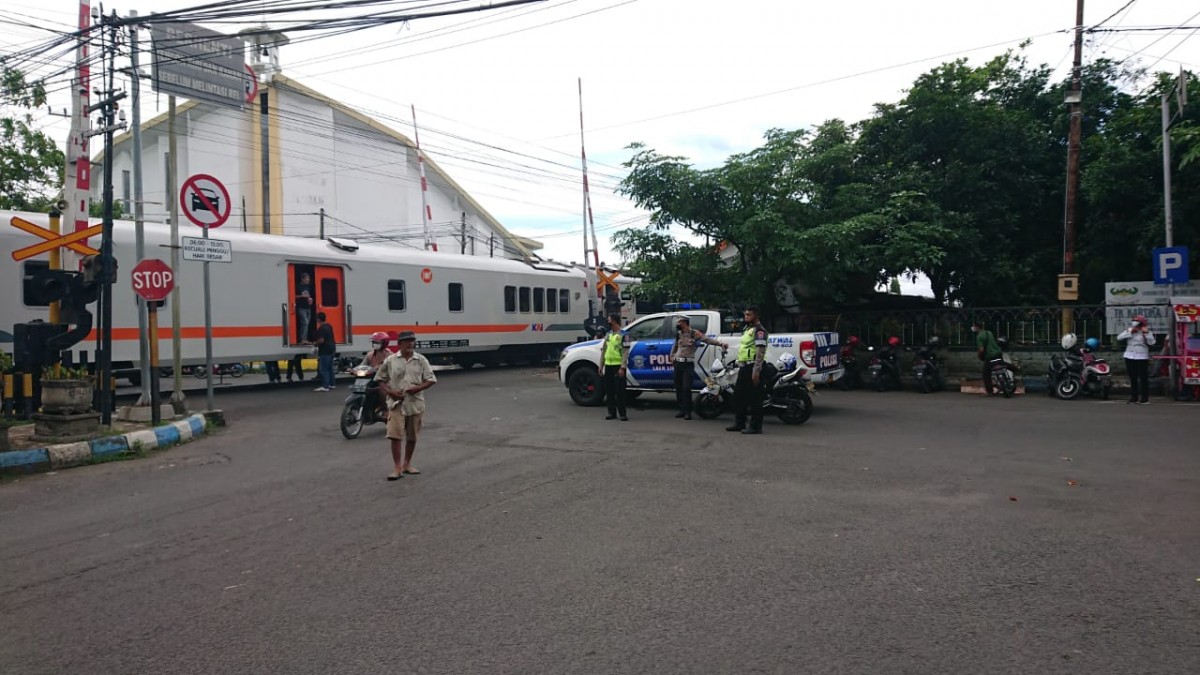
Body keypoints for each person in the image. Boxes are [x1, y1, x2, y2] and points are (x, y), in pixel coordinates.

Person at [374, 331, 437, 480]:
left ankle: (407, 464)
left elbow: (431, 379)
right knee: (395, 436)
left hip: (415, 404)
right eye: (407, 341)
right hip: (396, 404)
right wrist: (390, 392)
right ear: (399, 344)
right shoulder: (391, 360)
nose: (410, 344)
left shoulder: (421, 360)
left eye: (412, 341)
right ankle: (397, 467)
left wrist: (417, 388)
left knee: (412, 437)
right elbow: (379, 379)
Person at [670, 316, 726, 420]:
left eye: (679, 322)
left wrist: (720, 344)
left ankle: (688, 412)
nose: (677, 325)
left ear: (684, 323)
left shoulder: (694, 333)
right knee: (678, 387)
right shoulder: (678, 334)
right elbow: (675, 346)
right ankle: (682, 410)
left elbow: (707, 340)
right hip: (678, 364)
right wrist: (672, 356)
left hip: (688, 364)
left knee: (686, 388)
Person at [727, 306, 768, 434]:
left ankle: (756, 426)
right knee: (738, 397)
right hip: (744, 367)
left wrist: (756, 372)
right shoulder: (748, 330)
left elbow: (760, 353)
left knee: (755, 399)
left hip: (753, 368)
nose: (746, 317)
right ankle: (740, 423)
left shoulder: (760, 331)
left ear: (756, 316)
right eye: (745, 315)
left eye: (749, 315)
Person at [1117, 314, 1156, 404]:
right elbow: (1119, 337)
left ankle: (1144, 398)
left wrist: (1146, 334)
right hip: (1129, 355)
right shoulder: (1130, 330)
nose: (1134, 322)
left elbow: (1152, 342)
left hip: (1141, 356)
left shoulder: (1146, 331)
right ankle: (1134, 397)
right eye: (1133, 320)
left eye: (1136, 320)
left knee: (1143, 378)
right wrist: (1130, 332)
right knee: (1132, 377)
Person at [600, 314, 629, 421]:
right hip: (608, 365)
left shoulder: (624, 334)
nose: (608, 322)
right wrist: (601, 365)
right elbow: (604, 350)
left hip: (618, 366)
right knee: (609, 391)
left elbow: (626, 352)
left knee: (620, 391)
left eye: (609, 320)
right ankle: (611, 413)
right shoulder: (608, 335)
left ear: (614, 322)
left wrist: (623, 367)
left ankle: (622, 413)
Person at [972, 320, 1004, 395]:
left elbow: (981, 349)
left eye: (973, 326)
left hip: (990, 356)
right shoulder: (989, 332)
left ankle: (990, 391)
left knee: (986, 373)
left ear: (977, 327)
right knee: (1002, 366)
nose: (973, 328)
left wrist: (979, 355)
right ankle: (1013, 369)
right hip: (998, 353)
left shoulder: (979, 337)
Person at [312, 312, 336, 391]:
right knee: (330, 368)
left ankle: (325, 386)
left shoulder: (321, 328)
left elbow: (321, 340)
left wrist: (315, 344)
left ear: (318, 319)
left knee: (324, 369)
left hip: (325, 350)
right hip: (332, 349)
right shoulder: (329, 326)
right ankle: (331, 384)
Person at [295, 272, 314, 345]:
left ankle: (304, 339)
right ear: (302, 279)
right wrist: (301, 296)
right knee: (305, 323)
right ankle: (302, 339)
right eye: (307, 278)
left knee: (306, 324)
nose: (308, 280)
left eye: (308, 278)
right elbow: (293, 296)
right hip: (301, 308)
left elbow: (308, 296)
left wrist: (310, 299)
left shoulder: (308, 287)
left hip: (308, 307)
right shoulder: (297, 286)